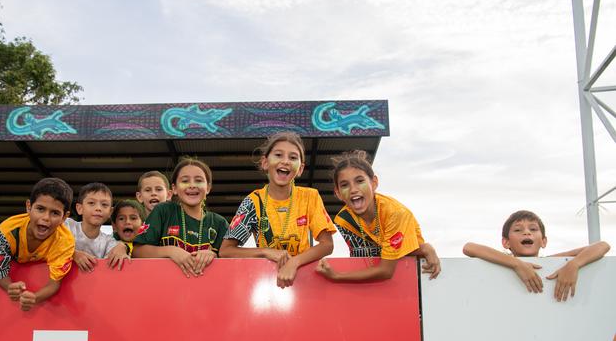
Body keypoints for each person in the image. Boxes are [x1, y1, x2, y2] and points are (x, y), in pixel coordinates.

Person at [220, 131, 336, 288]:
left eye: (293, 157)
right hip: (265, 282)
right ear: (265, 162)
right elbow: (226, 250)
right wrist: (265, 252)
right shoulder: (253, 201)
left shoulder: (310, 196)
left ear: (300, 169)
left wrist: (294, 262)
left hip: (305, 280)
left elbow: (327, 244)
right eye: (279, 155)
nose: (285, 161)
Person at [315, 150, 441, 282]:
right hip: (372, 284)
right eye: (345, 185)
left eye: (359, 181)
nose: (353, 189)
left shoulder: (395, 213)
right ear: (338, 193)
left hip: (412, 279)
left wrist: (337, 276)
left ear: (374, 183)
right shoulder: (344, 219)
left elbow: (386, 270)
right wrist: (423, 249)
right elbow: (362, 259)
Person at [463, 210, 610, 301]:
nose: (527, 232)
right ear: (506, 242)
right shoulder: (503, 262)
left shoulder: (550, 262)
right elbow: (469, 248)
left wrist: (574, 264)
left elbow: (602, 246)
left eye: (533, 229)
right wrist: (517, 264)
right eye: (518, 230)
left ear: (544, 241)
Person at [0, 177, 75, 311]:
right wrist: (10, 287)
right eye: (40, 209)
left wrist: (35, 297)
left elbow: (54, 284)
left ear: (64, 217)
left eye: (55, 213)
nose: (46, 217)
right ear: (28, 207)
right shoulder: (7, 230)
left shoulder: (65, 242)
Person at [132, 158, 229, 277]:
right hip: (165, 287)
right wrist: (170, 251)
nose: (192, 185)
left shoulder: (219, 223)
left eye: (198, 180)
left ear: (208, 187)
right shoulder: (163, 211)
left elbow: (229, 259)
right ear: (175, 189)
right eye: (185, 181)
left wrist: (213, 255)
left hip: (205, 290)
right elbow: (137, 251)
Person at [65, 182, 130, 272]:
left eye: (104, 205)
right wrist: (72, 254)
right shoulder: (67, 226)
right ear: (80, 208)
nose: (98, 208)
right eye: (91, 203)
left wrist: (122, 247)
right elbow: (49, 246)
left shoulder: (108, 242)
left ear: (110, 212)